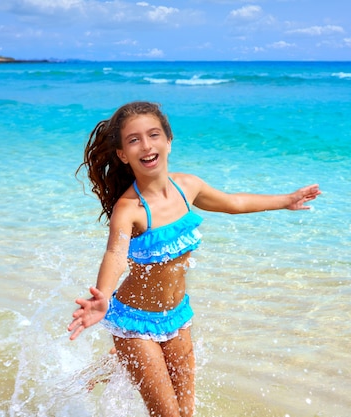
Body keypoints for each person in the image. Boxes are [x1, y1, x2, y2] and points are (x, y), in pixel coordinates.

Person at [68, 101, 321, 416]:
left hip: (177, 317)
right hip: (135, 322)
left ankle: (113, 361)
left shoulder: (187, 186)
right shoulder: (129, 208)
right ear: (122, 154)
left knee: (187, 413)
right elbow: (115, 254)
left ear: (168, 141)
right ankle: (123, 351)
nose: (146, 146)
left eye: (153, 135)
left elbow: (234, 202)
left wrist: (287, 200)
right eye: (134, 140)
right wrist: (102, 296)